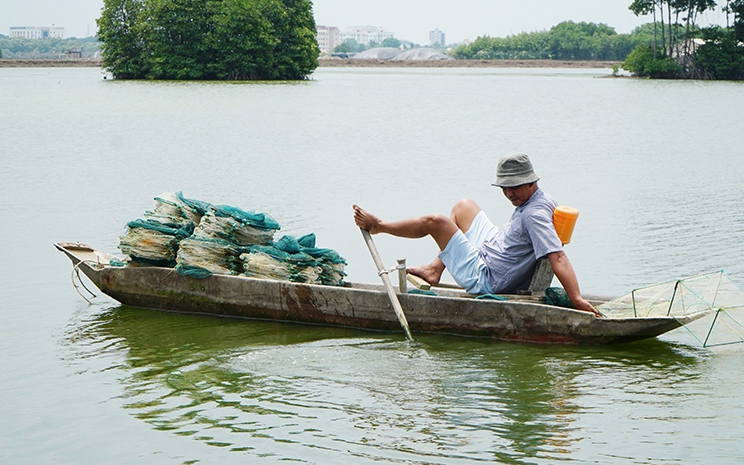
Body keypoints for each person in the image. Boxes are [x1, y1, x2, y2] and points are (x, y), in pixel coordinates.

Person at [353, 153, 601, 317]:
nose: (508, 193)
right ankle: (435, 269)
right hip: (491, 250)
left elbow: (558, 256)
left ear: (530, 182)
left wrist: (576, 298)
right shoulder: (541, 198)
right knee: (464, 206)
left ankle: (380, 225)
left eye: (514, 186)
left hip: (487, 277)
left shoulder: (533, 214)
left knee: (435, 222)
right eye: (504, 187)